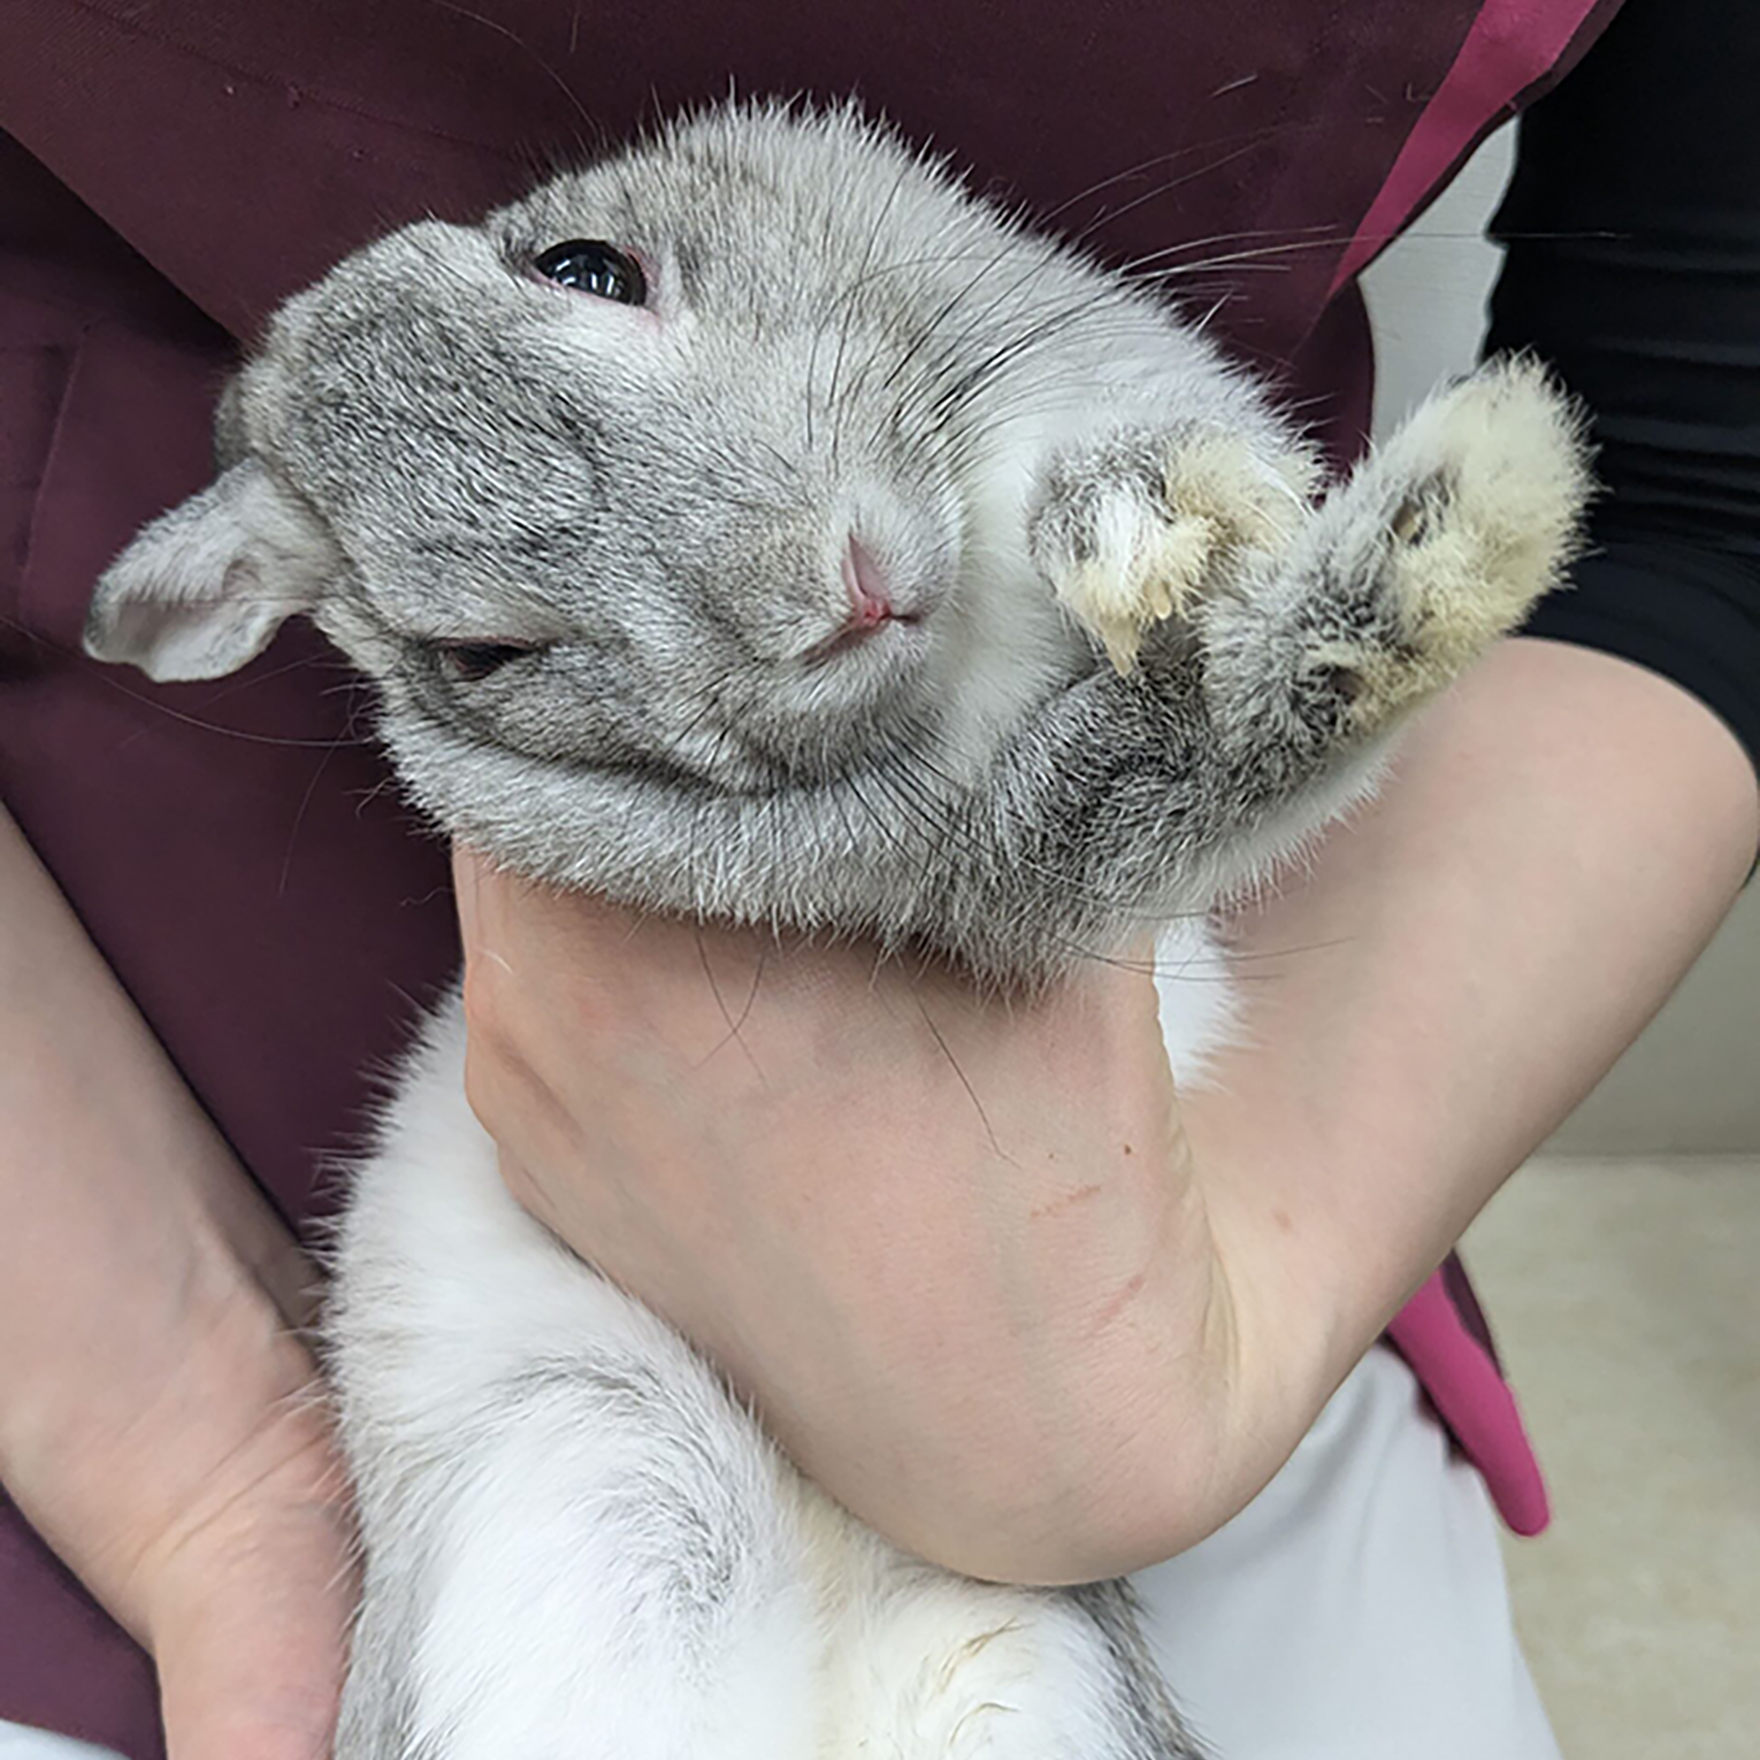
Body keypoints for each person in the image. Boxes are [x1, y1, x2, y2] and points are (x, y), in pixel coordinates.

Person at [1, 1, 1754, 1757]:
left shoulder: (898, 290)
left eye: (605, 287)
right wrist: (206, 1470)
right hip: (139, 1209)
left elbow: (1698, 491)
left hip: (1238, 1136)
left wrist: (1211, 1331)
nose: (807, 585)